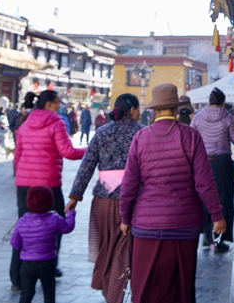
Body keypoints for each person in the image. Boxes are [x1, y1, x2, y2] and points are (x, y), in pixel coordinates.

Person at [120, 84, 226, 302]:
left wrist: (125, 218)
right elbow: (204, 182)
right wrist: (216, 215)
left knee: (145, 288)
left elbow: (129, 184)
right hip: (184, 224)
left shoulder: (141, 137)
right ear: (176, 109)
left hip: (146, 224)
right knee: (181, 288)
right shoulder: (191, 136)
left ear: (154, 110)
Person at [65, 94, 143, 303]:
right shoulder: (141, 133)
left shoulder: (102, 132)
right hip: (132, 201)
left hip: (102, 201)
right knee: (122, 250)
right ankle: (113, 295)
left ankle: (106, 286)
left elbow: (87, 165)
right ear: (133, 110)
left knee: (106, 247)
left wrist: (74, 196)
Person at [10, 90, 87, 291]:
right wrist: (90, 150)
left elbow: (18, 155)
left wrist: (20, 177)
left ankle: (16, 277)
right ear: (51, 104)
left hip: (24, 184)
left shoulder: (25, 123)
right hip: (48, 185)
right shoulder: (56, 123)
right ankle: (49, 266)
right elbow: (68, 151)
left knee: (23, 227)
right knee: (55, 226)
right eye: (57, 102)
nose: (59, 106)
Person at [190, 88, 234, 253]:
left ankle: (206, 234)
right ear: (223, 102)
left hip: (202, 162)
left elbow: (191, 138)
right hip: (222, 163)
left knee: (204, 197)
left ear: (209, 102)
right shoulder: (227, 118)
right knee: (224, 200)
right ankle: (219, 240)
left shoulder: (197, 118)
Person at [10, 185, 76, 303]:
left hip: (27, 265)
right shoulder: (54, 219)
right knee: (49, 293)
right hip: (47, 263)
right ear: (50, 202)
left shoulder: (22, 222)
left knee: (26, 293)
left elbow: (15, 243)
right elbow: (67, 227)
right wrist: (71, 213)